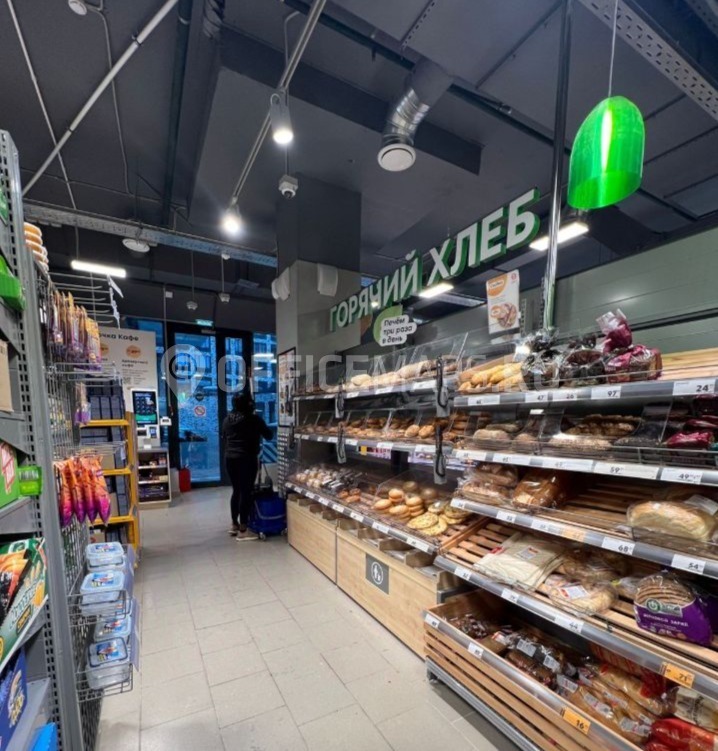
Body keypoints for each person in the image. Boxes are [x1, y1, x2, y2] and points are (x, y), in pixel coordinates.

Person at [222, 391, 273, 540]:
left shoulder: (227, 420)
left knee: (236, 491)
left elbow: (225, 438)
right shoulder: (253, 419)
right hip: (246, 459)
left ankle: (234, 524)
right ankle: (244, 530)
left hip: (230, 459)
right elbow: (269, 435)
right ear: (249, 404)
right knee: (246, 492)